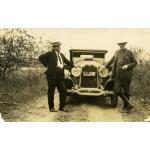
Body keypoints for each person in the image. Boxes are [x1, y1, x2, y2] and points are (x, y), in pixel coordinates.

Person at [39, 42, 74, 112]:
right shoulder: (49, 54)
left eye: (59, 47)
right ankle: (51, 108)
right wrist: (46, 65)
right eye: (57, 47)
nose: (59, 48)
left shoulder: (61, 55)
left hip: (60, 75)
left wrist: (75, 66)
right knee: (51, 91)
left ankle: (62, 107)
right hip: (52, 75)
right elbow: (41, 57)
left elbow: (67, 62)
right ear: (54, 47)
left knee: (63, 91)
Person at [105, 42, 137, 112]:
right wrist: (104, 67)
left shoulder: (129, 52)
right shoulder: (116, 52)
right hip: (117, 75)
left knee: (126, 92)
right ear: (118, 45)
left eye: (122, 44)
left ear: (125, 44)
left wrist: (127, 66)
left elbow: (135, 62)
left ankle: (126, 108)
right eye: (120, 44)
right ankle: (129, 104)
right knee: (116, 90)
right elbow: (111, 60)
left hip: (126, 75)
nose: (121, 45)